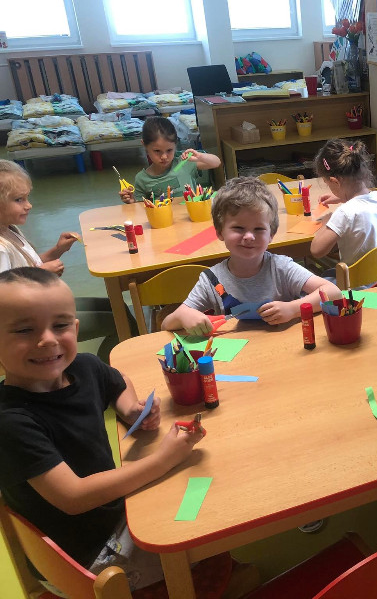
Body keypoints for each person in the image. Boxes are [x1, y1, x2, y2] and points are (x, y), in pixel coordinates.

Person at [0, 267, 205, 593]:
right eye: (25, 330)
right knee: (201, 530)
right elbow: (74, 497)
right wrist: (163, 459)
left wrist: (131, 408)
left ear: (75, 328)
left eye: (60, 325)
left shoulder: (83, 366)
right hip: (86, 557)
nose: (48, 339)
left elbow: (119, 381)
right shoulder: (10, 422)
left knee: (198, 493)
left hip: (113, 511)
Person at [162, 177, 339, 336]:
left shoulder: (280, 267)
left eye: (259, 229)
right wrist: (184, 315)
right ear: (220, 232)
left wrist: (292, 309)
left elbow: (334, 292)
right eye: (238, 228)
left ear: (271, 235)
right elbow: (166, 325)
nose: (248, 236)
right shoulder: (211, 280)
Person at [0, 159, 131, 363]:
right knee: (121, 321)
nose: (28, 205)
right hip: (28, 325)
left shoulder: (9, 229)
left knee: (118, 307)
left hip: (42, 308)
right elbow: (5, 297)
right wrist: (42, 275)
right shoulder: (1, 248)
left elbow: (29, 265)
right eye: (19, 200)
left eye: (27, 197)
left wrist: (57, 250)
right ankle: (102, 373)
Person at [309, 139, 377, 267]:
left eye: (327, 184)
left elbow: (316, 251)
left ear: (335, 182)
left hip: (353, 279)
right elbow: (361, 199)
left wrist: (326, 222)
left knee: (318, 277)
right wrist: (341, 198)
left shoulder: (344, 213)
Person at [119, 116, 221, 204]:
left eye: (169, 150)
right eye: (157, 151)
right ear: (144, 145)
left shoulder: (183, 163)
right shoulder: (142, 179)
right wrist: (132, 201)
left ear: (175, 144)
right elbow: (141, 208)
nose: (164, 156)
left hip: (192, 217)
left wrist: (200, 156)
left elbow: (216, 162)